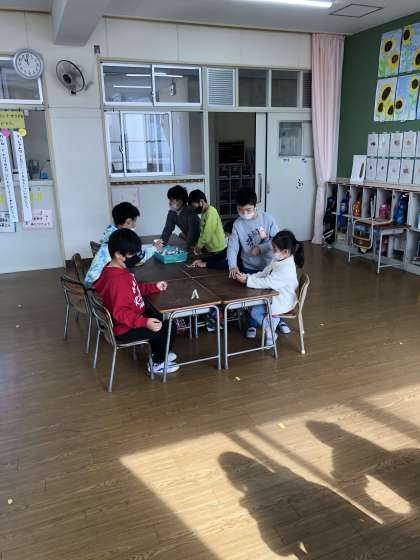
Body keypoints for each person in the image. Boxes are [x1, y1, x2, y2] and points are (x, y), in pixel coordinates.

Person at [94, 229, 179, 376]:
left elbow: (133, 289)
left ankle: (159, 351)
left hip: (131, 317)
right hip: (124, 328)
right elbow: (120, 312)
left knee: (159, 315)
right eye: (131, 254)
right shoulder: (117, 281)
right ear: (118, 255)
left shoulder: (114, 269)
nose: (136, 257)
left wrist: (154, 287)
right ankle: (158, 363)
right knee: (169, 326)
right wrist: (144, 322)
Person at [227, 187, 280, 338]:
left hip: (268, 265)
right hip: (249, 266)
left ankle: (278, 320)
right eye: (240, 210)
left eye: (248, 210)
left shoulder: (267, 218)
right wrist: (232, 265)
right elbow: (232, 247)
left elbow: (277, 240)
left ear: (255, 206)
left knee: (272, 296)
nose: (244, 213)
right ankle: (252, 323)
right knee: (251, 298)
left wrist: (261, 248)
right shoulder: (238, 224)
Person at [236, 230, 304, 344]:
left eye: (275, 249)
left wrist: (248, 280)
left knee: (254, 312)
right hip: (275, 296)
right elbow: (264, 273)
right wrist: (248, 276)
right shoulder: (279, 259)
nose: (272, 251)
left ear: (285, 252)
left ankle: (270, 330)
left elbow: (268, 282)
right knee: (253, 309)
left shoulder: (286, 268)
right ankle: (271, 329)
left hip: (283, 300)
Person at [85, 202, 141, 287]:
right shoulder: (119, 238)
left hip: (92, 278)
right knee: (130, 285)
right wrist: (152, 249)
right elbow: (130, 258)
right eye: (134, 222)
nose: (134, 225)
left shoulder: (111, 232)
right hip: (96, 283)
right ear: (128, 222)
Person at [188, 189, 228, 270]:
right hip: (211, 249)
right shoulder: (204, 213)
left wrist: (199, 246)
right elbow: (202, 232)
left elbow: (207, 233)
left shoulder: (211, 212)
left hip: (218, 249)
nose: (194, 208)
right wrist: (198, 245)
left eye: (194, 206)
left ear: (201, 201)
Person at [155, 185, 200, 250]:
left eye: (171, 200)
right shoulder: (172, 213)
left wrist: (189, 246)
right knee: (181, 235)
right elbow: (167, 229)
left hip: (201, 240)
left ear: (180, 202)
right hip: (190, 239)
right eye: (169, 200)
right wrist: (161, 243)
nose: (169, 203)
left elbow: (193, 231)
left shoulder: (190, 211)